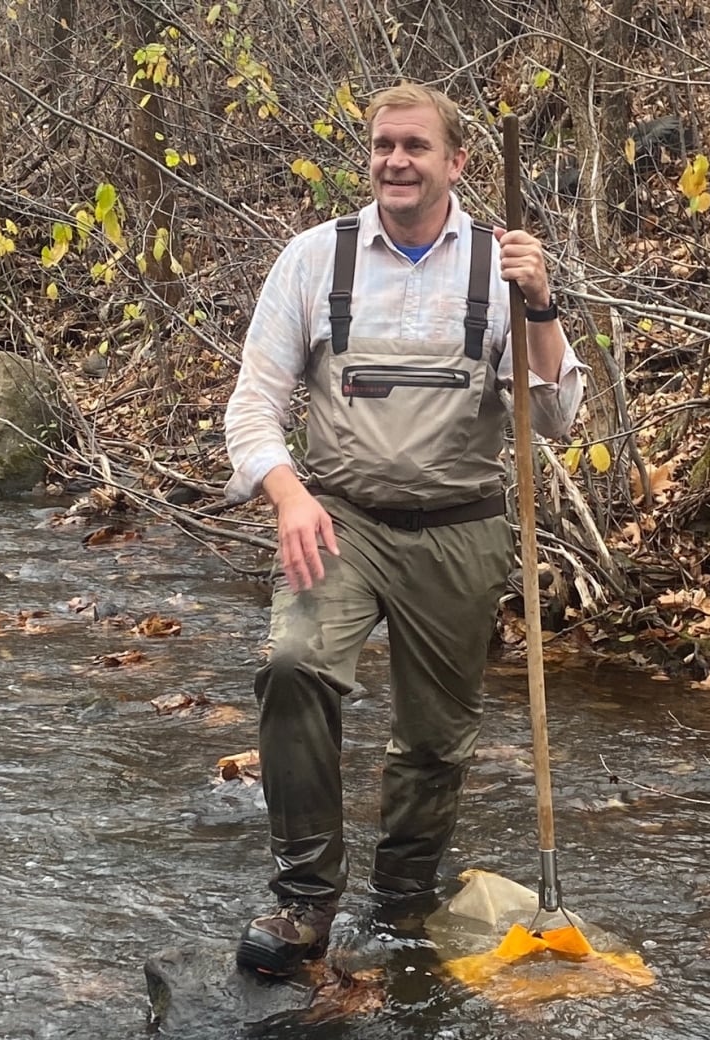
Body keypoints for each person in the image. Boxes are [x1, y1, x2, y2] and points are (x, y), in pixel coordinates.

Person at [224, 83, 583, 977]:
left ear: (455, 161)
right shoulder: (314, 259)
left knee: (434, 738)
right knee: (293, 663)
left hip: (461, 528)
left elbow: (559, 416)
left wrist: (541, 306)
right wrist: (287, 493)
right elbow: (252, 407)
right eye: (384, 145)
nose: (395, 161)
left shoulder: (503, 269)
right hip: (338, 519)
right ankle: (305, 899)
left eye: (416, 147)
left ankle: (401, 904)